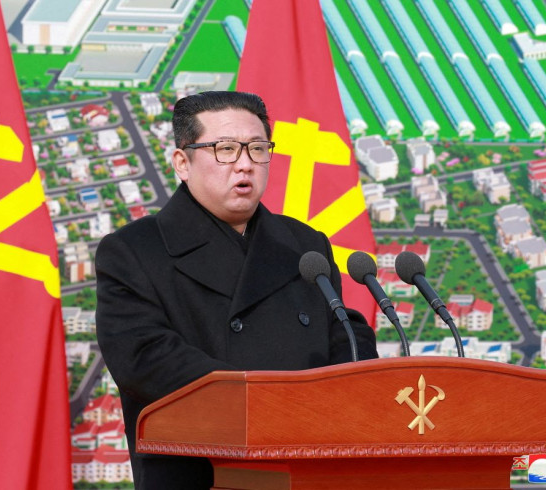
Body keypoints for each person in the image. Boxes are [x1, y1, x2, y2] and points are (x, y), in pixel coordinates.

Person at [95, 91, 378, 490]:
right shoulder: (135, 250)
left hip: (312, 469)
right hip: (201, 474)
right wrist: (273, 402)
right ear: (182, 162)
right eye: (225, 149)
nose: (244, 164)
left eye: (258, 149)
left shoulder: (304, 244)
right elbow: (146, 359)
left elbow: (346, 332)